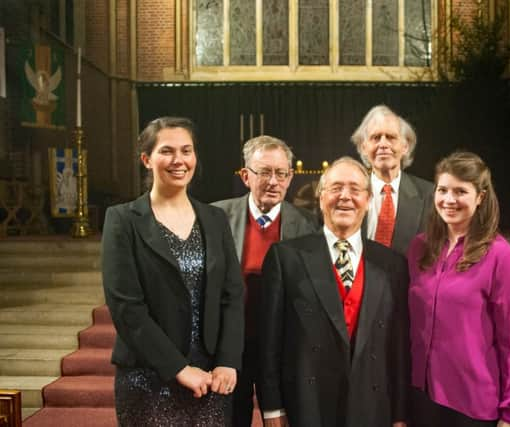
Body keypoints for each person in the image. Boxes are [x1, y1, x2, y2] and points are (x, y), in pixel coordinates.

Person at [101, 117, 244, 426]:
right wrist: (178, 368)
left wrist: (228, 361)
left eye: (186, 150)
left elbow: (232, 297)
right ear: (146, 159)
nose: (179, 160)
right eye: (166, 151)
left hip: (210, 378)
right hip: (148, 376)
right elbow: (126, 308)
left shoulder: (215, 218)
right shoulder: (123, 220)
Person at [257, 157, 409, 427]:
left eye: (355, 189)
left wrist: (399, 414)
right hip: (307, 406)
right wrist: (272, 408)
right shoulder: (286, 257)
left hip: (372, 408)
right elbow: (269, 343)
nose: (345, 197)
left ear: (368, 199)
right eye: (336, 187)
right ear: (321, 196)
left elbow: (397, 347)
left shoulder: (392, 264)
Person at [406, 151, 510, 427]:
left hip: (471, 402)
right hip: (421, 396)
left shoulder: (500, 257)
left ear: (481, 197)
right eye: (443, 190)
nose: (449, 200)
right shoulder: (418, 248)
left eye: (460, 191)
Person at [212, 135, 317, 427]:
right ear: (246, 176)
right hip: (230, 345)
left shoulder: (310, 225)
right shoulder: (215, 216)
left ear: (290, 177)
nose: (273, 181)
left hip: (283, 346)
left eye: (281, 173)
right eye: (264, 172)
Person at [351, 105, 434, 255]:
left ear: (405, 147)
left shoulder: (431, 196)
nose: (383, 144)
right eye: (376, 138)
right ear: (364, 147)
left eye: (391, 137)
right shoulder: (349, 195)